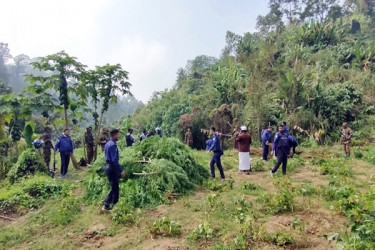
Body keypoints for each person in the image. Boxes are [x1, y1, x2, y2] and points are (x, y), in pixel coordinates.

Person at [103, 129, 125, 211]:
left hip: (108, 167)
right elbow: (114, 160)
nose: (118, 136)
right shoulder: (113, 145)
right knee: (115, 188)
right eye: (118, 135)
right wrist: (121, 170)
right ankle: (111, 205)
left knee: (114, 187)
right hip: (112, 168)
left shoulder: (108, 143)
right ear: (115, 135)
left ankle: (108, 203)